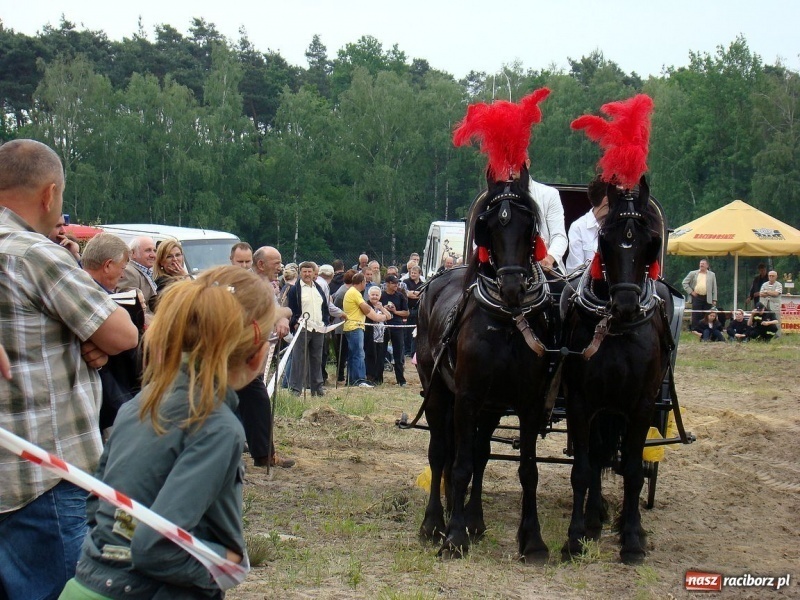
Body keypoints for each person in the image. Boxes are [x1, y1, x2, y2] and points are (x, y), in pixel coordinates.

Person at [60, 266, 276, 599]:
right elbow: (156, 547)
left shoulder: (139, 404)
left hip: (84, 586)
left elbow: (97, 506)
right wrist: (223, 565)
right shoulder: (217, 427)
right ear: (257, 353)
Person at [0, 139, 138, 600]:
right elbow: (122, 335)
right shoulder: (34, 253)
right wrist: (86, 335)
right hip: (43, 475)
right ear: (49, 194)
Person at [82, 233, 145, 433]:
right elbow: (130, 340)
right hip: (110, 407)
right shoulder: (95, 298)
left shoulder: (81, 290)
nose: (124, 274)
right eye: (123, 267)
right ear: (108, 265)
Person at [248, 246, 295, 468]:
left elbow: (279, 310)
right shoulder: (249, 285)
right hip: (240, 352)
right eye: (276, 262)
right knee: (256, 401)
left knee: (253, 401)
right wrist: (282, 316)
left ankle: (264, 455)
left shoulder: (267, 285)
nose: (280, 267)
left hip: (253, 350)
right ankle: (263, 455)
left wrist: (282, 318)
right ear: (260, 264)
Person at [285, 261, 330, 397]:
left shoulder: (318, 288)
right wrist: (294, 323)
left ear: (313, 273)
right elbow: (290, 308)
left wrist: (325, 322)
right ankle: (295, 389)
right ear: (300, 272)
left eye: (309, 271)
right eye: (304, 271)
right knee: (299, 359)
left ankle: (317, 388)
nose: (307, 274)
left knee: (317, 358)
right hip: (302, 328)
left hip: (318, 328)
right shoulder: (295, 289)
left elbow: (325, 308)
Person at [343, 272, 388, 387]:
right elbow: (366, 309)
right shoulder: (355, 293)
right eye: (365, 282)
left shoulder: (353, 292)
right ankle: (360, 380)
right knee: (359, 354)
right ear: (362, 282)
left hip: (352, 327)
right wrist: (380, 317)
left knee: (354, 355)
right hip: (355, 327)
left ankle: (353, 380)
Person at [527, 161, 568, 272]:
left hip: (544, 268)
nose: (510, 169)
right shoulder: (491, 198)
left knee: (566, 289)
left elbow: (560, 236)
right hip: (505, 270)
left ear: (527, 163)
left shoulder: (549, 194)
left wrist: (549, 258)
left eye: (515, 163)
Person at [566, 177, 609, 272]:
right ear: (607, 200)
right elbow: (575, 271)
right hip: (586, 285)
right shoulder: (578, 227)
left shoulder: (620, 227)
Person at [118, 236, 158, 323]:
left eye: (154, 251)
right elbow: (132, 308)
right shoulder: (129, 272)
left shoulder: (145, 272)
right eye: (148, 250)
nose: (153, 255)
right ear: (133, 253)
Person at [380, 274, 409, 386]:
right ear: (387, 284)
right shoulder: (382, 296)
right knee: (381, 352)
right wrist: (384, 309)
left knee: (399, 353)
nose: (396, 285)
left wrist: (395, 311)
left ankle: (401, 380)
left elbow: (406, 312)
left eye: (397, 283)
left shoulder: (400, 296)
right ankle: (378, 378)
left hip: (397, 326)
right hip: (384, 325)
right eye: (393, 283)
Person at [682, 259, 718, 331]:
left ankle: (705, 329)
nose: (701, 265)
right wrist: (691, 292)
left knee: (707, 314)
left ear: (707, 265)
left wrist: (714, 299)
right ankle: (695, 329)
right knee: (696, 314)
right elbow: (684, 283)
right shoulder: (693, 273)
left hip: (707, 297)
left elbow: (714, 287)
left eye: (703, 264)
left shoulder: (712, 274)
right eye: (700, 263)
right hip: (697, 297)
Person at [364, 286, 387, 384]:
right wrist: (382, 317)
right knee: (370, 357)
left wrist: (381, 308)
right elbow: (375, 318)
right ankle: (370, 377)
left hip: (381, 336)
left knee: (380, 357)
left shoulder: (381, 306)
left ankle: (378, 378)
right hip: (370, 335)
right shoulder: (366, 305)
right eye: (372, 295)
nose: (374, 297)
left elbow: (389, 316)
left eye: (377, 295)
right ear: (369, 296)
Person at [403, 264, 424, 357]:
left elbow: (422, 295)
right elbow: (406, 294)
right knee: (407, 331)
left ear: (419, 274)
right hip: (407, 309)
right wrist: (416, 293)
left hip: (418, 309)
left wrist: (413, 293)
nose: (413, 275)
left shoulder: (422, 284)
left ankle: (413, 351)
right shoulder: (405, 282)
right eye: (411, 273)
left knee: (415, 331)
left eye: (415, 273)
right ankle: (406, 350)